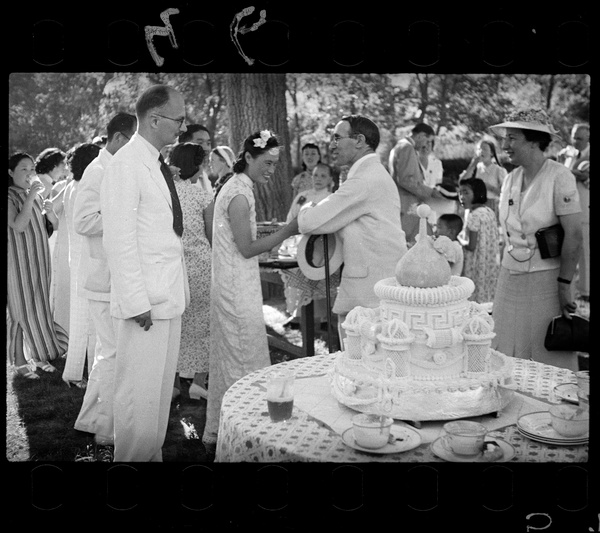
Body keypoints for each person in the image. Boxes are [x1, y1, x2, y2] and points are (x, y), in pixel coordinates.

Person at [100, 84, 190, 462]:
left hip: (168, 296)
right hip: (145, 304)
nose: (182, 128)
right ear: (154, 119)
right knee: (138, 398)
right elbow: (118, 241)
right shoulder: (125, 164)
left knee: (156, 400)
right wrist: (137, 302)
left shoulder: (152, 161)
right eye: (178, 120)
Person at [202, 129, 300, 452]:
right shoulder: (240, 193)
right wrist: (287, 230)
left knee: (239, 355)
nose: (272, 169)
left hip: (236, 282)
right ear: (247, 158)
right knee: (241, 358)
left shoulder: (238, 187)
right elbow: (246, 248)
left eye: (275, 163)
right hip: (234, 289)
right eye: (267, 162)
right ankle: (243, 433)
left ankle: (228, 429)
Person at [298, 114, 407, 343]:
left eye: (337, 138)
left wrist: (307, 207)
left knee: (362, 360)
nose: (332, 144)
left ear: (359, 140)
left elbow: (309, 222)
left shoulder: (365, 179)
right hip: (374, 281)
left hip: (371, 289)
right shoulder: (368, 174)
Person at [489, 108, 582, 371]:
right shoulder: (510, 178)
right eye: (504, 138)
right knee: (504, 347)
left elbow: (574, 236)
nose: (504, 145)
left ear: (533, 141)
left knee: (546, 351)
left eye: (512, 138)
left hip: (547, 279)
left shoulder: (559, 176)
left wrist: (564, 285)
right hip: (510, 277)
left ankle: (550, 409)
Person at [73, 112, 137, 446]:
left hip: (114, 277)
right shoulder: (96, 171)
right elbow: (83, 221)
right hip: (101, 277)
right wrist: (123, 217)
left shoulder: (117, 169)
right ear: (118, 138)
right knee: (112, 354)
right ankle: (104, 430)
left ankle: (92, 421)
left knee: (109, 353)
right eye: (132, 140)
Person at [7, 152, 67, 378]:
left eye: (32, 169)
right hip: (19, 261)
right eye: (24, 169)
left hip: (38, 258)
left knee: (38, 305)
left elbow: (53, 226)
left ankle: (37, 355)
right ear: (11, 172)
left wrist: (50, 212)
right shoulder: (11, 197)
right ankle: (20, 362)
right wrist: (32, 197)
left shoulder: (35, 195)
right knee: (20, 309)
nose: (30, 174)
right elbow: (19, 226)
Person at [168, 142, 215, 400]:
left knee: (175, 324)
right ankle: (198, 381)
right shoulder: (202, 196)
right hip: (199, 266)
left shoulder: (163, 192)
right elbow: (213, 235)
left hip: (173, 266)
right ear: (195, 166)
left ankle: (173, 382)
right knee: (204, 325)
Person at [61, 142, 101, 388]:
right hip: (84, 257)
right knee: (86, 319)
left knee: (83, 318)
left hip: (77, 256)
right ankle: (77, 373)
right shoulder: (82, 188)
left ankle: (78, 371)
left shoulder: (70, 186)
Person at [283, 162, 335, 325]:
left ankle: (325, 317)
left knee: (320, 271)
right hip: (300, 241)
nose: (318, 179)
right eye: (315, 175)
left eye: (323, 176)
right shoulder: (303, 196)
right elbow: (291, 217)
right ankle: (298, 314)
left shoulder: (332, 198)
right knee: (296, 271)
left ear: (330, 179)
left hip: (323, 243)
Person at [34, 148, 71, 333]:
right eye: (62, 165)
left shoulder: (44, 181)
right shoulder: (44, 183)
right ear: (54, 165)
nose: (64, 169)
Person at [388, 122, 444, 244]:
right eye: (427, 140)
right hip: (407, 206)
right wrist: (430, 192)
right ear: (421, 136)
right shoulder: (407, 147)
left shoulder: (400, 146)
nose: (426, 145)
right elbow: (406, 179)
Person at [557, 123, 590, 302]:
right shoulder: (567, 154)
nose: (576, 141)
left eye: (580, 138)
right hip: (568, 208)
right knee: (567, 249)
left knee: (585, 250)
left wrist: (571, 172)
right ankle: (568, 287)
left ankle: (586, 290)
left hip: (585, 208)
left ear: (587, 139)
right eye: (574, 137)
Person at [458, 177, 500, 303]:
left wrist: (458, 241)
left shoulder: (473, 216)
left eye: (466, 192)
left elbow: (471, 246)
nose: (461, 196)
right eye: (460, 192)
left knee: (473, 297)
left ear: (477, 193)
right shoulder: (489, 212)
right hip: (489, 263)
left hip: (476, 265)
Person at [459, 139, 507, 216]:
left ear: (492, 153)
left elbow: (504, 193)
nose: (481, 151)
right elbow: (462, 182)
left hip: (491, 204)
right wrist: (473, 164)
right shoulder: (475, 168)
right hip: (474, 204)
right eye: (479, 149)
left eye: (484, 149)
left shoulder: (498, 170)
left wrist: (486, 186)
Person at [178, 123, 213, 192]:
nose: (206, 148)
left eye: (208, 143)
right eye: (200, 143)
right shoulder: (177, 175)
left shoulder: (203, 175)